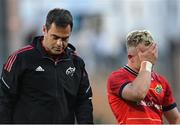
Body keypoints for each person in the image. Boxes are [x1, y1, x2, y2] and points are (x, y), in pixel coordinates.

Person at [0, 8, 93, 124]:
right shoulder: (20, 59)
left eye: (65, 39)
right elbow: (4, 99)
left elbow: (84, 101)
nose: (59, 43)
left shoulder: (76, 63)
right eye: (55, 37)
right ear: (44, 30)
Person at [107, 30, 180, 124]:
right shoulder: (117, 77)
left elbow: (175, 118)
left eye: (151, 52)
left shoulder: (161, 82)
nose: (151, 56)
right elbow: (139, 93)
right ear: (130, 57)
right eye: (144, 54)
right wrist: (147, 63)